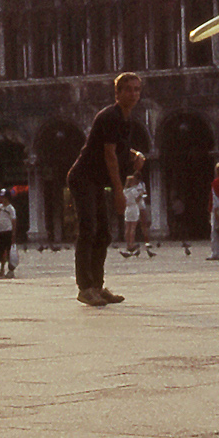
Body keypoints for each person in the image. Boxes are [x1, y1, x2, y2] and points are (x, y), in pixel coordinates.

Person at [67, 72, 145, 306]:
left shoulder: (125, 119)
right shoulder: (110, 116)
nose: (133, 94)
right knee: (88, 228)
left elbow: (120, 149)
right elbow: (109, 155)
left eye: (137, 89)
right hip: (84, 178)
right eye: (128, 89)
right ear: (118, 93)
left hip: (96, 181)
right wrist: (120, 192)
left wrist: (136, 154)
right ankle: (85, 287)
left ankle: (97, 286)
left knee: (104, 233)